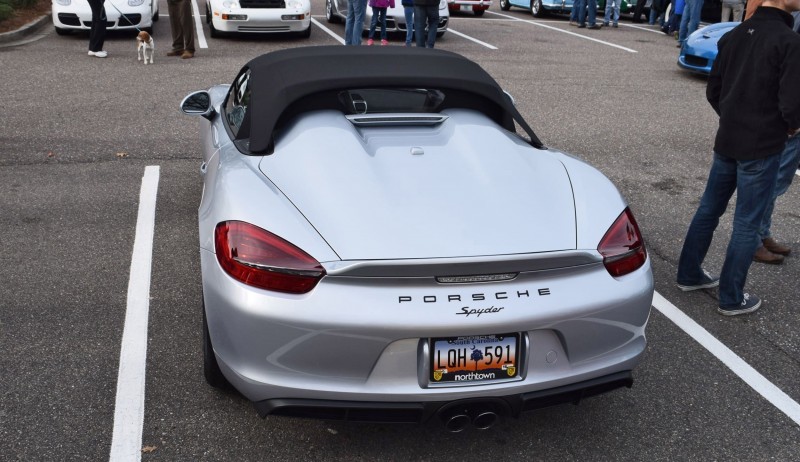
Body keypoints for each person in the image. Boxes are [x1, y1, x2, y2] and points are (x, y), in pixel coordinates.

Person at [676, 0, 800, 316]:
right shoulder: (789, 42)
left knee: (709, 209)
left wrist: (731, 117)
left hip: (728, 138)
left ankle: (689, 274)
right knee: (747, 221)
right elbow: (792, 104)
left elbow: (714, 91)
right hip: (762, 145)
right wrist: (789, 127)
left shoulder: (734, 34)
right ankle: (731, 297)